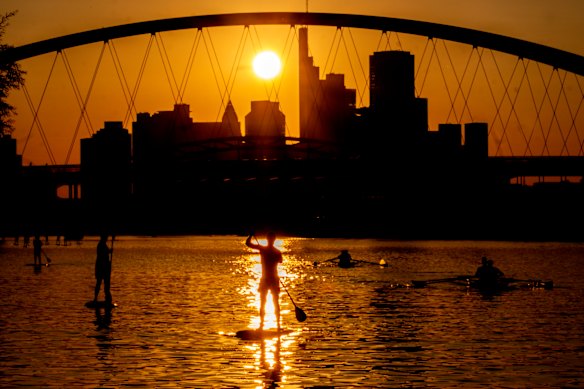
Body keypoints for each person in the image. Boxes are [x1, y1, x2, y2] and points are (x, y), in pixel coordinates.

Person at [246, 232, 283, 330]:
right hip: (269, 279)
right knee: (269, 302)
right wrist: (250, 236)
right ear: (273, 240)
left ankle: (275, 326)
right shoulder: (276, 251)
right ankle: (268, 325)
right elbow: (280, 261)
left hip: (270, 279)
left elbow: (248, 243)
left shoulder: (264, 249)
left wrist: (250, 236)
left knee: (270, 302)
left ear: (269, 239)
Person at [94, 235, 113, 304]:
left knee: (106, 283)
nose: (107, 238)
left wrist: (109, 251)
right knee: (99, 282)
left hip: (105, 267)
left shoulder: (103, 244)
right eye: (106, 237)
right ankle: (96, 298)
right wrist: (109, 251)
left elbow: (106, 252)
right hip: (101, 267)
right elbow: (103, 254)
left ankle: (107, 297)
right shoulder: (101, 245)